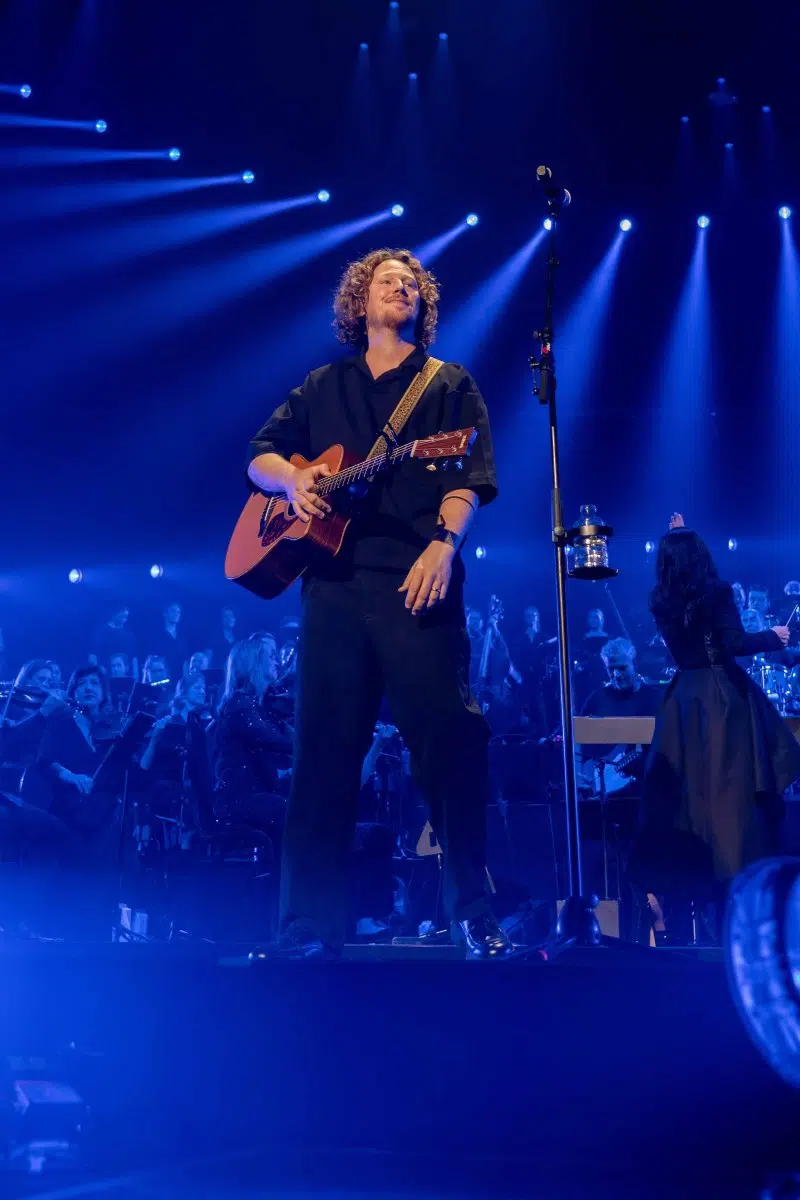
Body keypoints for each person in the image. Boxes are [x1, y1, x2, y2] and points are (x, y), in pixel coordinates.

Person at [245, 247, 510, 959]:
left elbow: (467, 475)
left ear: (422, 305)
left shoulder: (448, 386)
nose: (401, 286)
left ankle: (473, 914)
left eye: (411, 282)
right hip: (331, 588)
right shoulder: (323, 384)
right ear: (359, 302)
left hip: (416, 578)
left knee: (450, 743)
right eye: (386, 280)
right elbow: (260, 455)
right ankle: (305, 927)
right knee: (321, 756)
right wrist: (289, 484)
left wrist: (444, 545)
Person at [631, 514, 800, 927]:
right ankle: (737, 884)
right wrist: (774, 637)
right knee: (732, 797)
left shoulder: (659, 598)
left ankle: (687, 889)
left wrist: (675, 535)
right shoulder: (718, 591)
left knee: (692, 798)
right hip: (721, 699)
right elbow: (734, 644)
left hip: (684, 701)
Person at [212, 634, 293, 832]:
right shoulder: (240, 704)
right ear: (254, 663)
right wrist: (315, 743)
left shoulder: (257, 705)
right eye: (271, 657)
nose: (277, 662)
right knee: (297, 813)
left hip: (255, 793)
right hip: (239, 799)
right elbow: (272, 741)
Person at [89, 605, 139, 680]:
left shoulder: (129, 635)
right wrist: (96, 674)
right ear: (114, 614)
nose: (124, 619)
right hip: (105, 676)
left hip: (126, 677)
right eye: (122, 616)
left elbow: (133, 658)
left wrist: (136, 676)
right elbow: (93, 656)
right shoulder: (101, 633)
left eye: (126, 617)